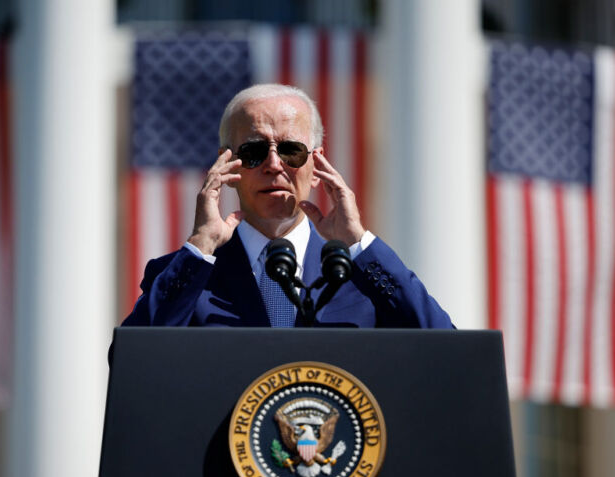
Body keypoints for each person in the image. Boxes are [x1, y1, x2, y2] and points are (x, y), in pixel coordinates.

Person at [122, 83, 453, 329]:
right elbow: (134, 363)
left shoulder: (362, 274)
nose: (274, 164)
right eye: (253, 151)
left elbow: (444, 347)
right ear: (228, 165)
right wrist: (201, 246)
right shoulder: (188, 273)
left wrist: (358, 244)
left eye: (291, 150)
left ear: (316, 165)